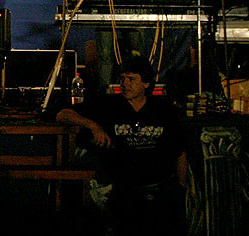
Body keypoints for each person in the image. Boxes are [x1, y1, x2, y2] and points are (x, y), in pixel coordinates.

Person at [55, 56, 187, 236]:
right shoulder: (109, 105)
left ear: (146, 84)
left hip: (157, 189)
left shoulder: (163, 109)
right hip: (123, 190)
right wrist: (93, 126)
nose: (125, 84)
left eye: (131, 79)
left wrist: (181, 188)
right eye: (122, 79)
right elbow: (62, 114)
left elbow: (179, 151)